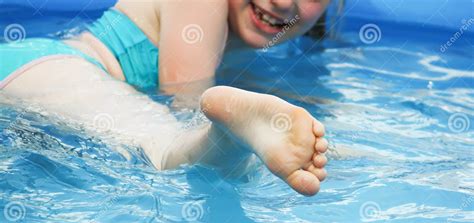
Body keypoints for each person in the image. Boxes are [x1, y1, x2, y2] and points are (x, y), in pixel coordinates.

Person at [0, 0, 330, 195]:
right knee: (166, 145)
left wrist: (320, 146)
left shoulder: (235, 34)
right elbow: (192, 107)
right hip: (52, 68)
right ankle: (230, 141)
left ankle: (232, 141)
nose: (285, 2)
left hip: (39, 69)